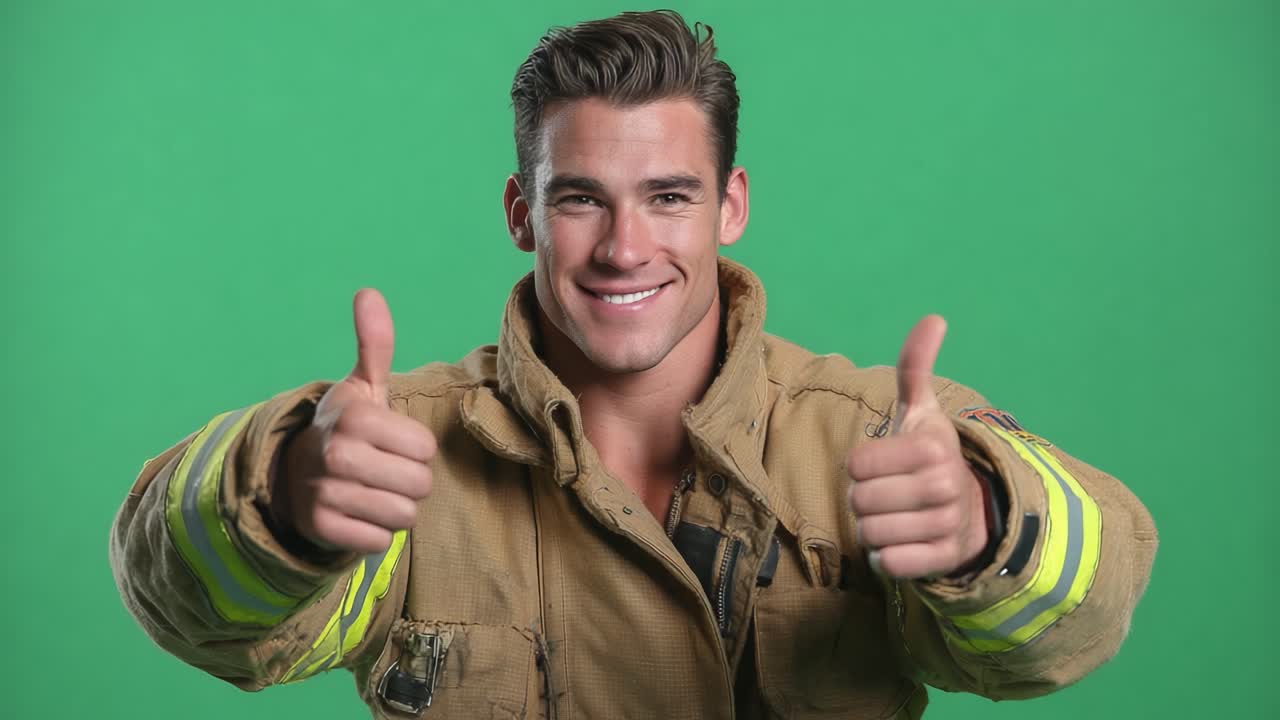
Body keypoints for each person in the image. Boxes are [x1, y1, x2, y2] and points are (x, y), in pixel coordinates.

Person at [110, 10, 1157, 719]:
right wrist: (287, 499)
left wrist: (982, 525)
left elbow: (1083, 616)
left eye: (668, 197)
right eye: (580, 199)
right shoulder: (398, 451)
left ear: (729, 205)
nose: (623, 248)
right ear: (521, 212)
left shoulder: (881, 442)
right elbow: (189, 610)